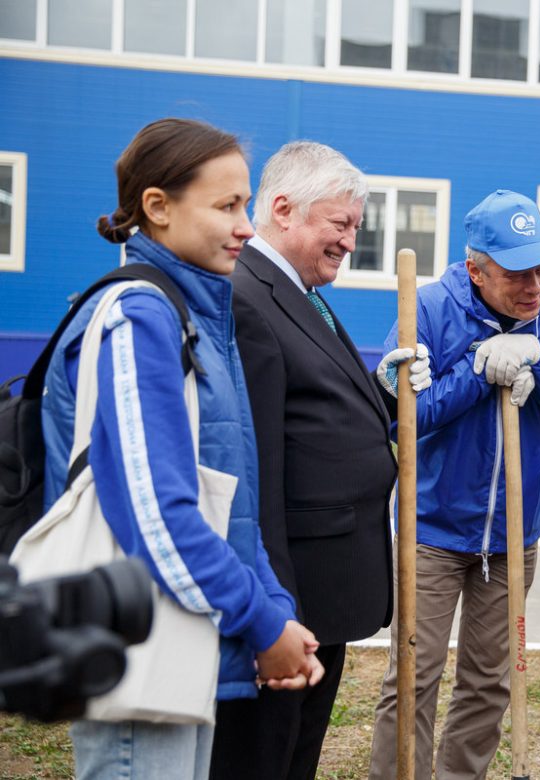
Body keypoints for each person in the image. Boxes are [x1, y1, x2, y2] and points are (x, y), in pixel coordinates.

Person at [39, 118, 322, 779]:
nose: (247, 226)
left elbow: (229, 501)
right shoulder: (138, 319)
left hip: (184, 645)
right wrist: (261, 621)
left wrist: (273, 607)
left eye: (246, 204)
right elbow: (160, 516)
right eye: (227, 205)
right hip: (139, 648)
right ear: (157, 208)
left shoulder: (193, 318)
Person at [367, 189, 540, 780]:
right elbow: (409, 420)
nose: (536, 286)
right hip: (432, 528)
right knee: (412, 677)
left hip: (512, 533)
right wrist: (478, 368)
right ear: (476, 270)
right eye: (517, 274)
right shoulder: (426, 307)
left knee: (488, 683)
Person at [209, 142, 416, 780]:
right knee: (267, 756)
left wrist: (381, 390)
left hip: (326, 584)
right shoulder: (250, 297)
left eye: (356, 226)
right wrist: (275, 608)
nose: (351, 242)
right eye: (340, 224)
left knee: (298, 752)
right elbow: (257, 465)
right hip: (292, 589)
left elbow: (317, 408)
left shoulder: (298, 291)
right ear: (283, 209)